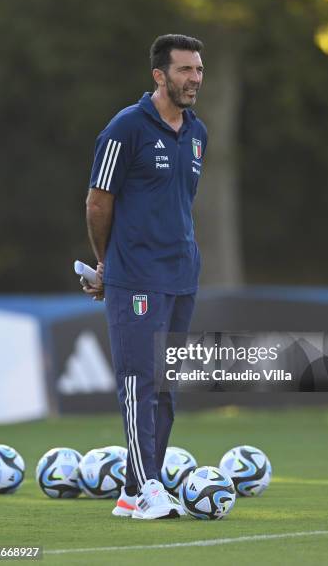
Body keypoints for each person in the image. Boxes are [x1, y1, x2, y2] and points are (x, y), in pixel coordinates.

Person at [82, 34, 207, 519]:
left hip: (182, 277)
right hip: (134, 276)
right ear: (159, 75)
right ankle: (150, 486)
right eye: (184, 70)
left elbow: (179, 205)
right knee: (138, 382)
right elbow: (97, 201)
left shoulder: (197, 132)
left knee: (165, 387)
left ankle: (135, 491)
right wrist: (106, 265)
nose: (194, 78)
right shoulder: (125, 128)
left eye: (198, 69)